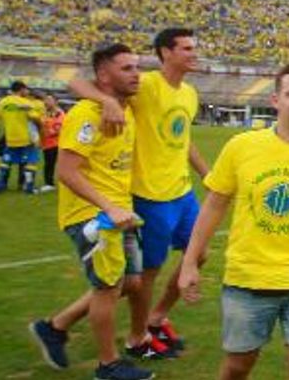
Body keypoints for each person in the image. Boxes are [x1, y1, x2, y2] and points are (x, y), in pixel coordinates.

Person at [178, 63, 289, 380]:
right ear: (276, 100)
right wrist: (190, 262)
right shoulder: (242, 146)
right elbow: (214, 205)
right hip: (249, 278)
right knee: (238, 366)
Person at [70, 27, 209, 357]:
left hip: (182, 193)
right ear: (165, 52)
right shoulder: (145, 84)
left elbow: (182, 139)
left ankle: (157, 316)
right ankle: (139, 334)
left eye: (194, 47)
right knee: (147, 273)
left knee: (198, 254)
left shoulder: (189, 94)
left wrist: (207, 174)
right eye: (186, 48)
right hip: (150, 195)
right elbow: (74, 82)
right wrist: (105, 99)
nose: (194, 54)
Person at [28, 43, 154, 380]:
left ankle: (55, 327)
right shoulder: (87, 114)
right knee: (109, 288)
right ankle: (108, 365)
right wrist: (109, 207)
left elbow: (76, 80)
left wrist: (109, 99)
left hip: (118, 213)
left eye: (136, 67)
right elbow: (66, 172)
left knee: (131, 282)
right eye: (126, 68)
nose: (136, 74)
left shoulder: (123, 107)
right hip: (94, 216)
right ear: (103, 74)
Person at [0, 81, 43, 194]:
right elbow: (36, 118)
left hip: (10, 138)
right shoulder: (26, 103)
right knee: (30, 162)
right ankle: (29, 187)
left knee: (5, 162)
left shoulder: (2, 102)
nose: (27, 92)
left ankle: (0, 185)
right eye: (26, 89)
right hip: (26, 139)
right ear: (21, 89)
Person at [39, 94, 66, 193]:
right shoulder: (44, 113)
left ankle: (50, 184)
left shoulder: (59, 113)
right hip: (47, 143)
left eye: (49, 100)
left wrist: (51, 131)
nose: (47, 102)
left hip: (56, 143)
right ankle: (49, 183)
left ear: (55, 101)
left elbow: (59, 128)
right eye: (45, 99)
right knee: (49, 163)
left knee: (55, 164)